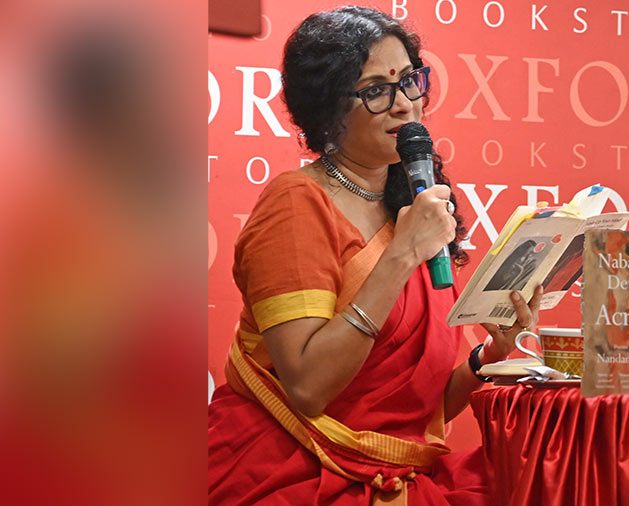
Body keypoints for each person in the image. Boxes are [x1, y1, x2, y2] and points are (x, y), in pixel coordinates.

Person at [208, 6, 542, 505]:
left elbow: (411, 411)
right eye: (375, 91)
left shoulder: (414, 200)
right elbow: (308, 388)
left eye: (410, 81)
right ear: (327, 109)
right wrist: (401, 254)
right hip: (287, 470)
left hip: (397, 476)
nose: (404, 105)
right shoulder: (297, 205)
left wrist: (490, 354)